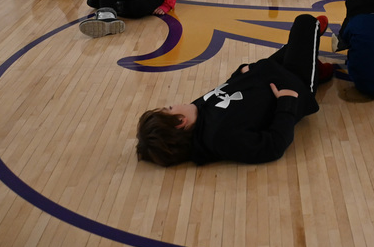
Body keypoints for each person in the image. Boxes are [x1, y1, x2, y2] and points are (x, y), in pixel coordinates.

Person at [135, 14, 331, 166]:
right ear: (180, 122)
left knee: (297, 44)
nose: (174, 105)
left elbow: (226, 91)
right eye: (169, 108)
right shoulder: (221, 138)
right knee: (305, 23)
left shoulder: (196, 111)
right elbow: (273, 146)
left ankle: (316, 65)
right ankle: (313, 63)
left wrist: (240, 73)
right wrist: (287, 103)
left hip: (266, 72)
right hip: (294, 85)